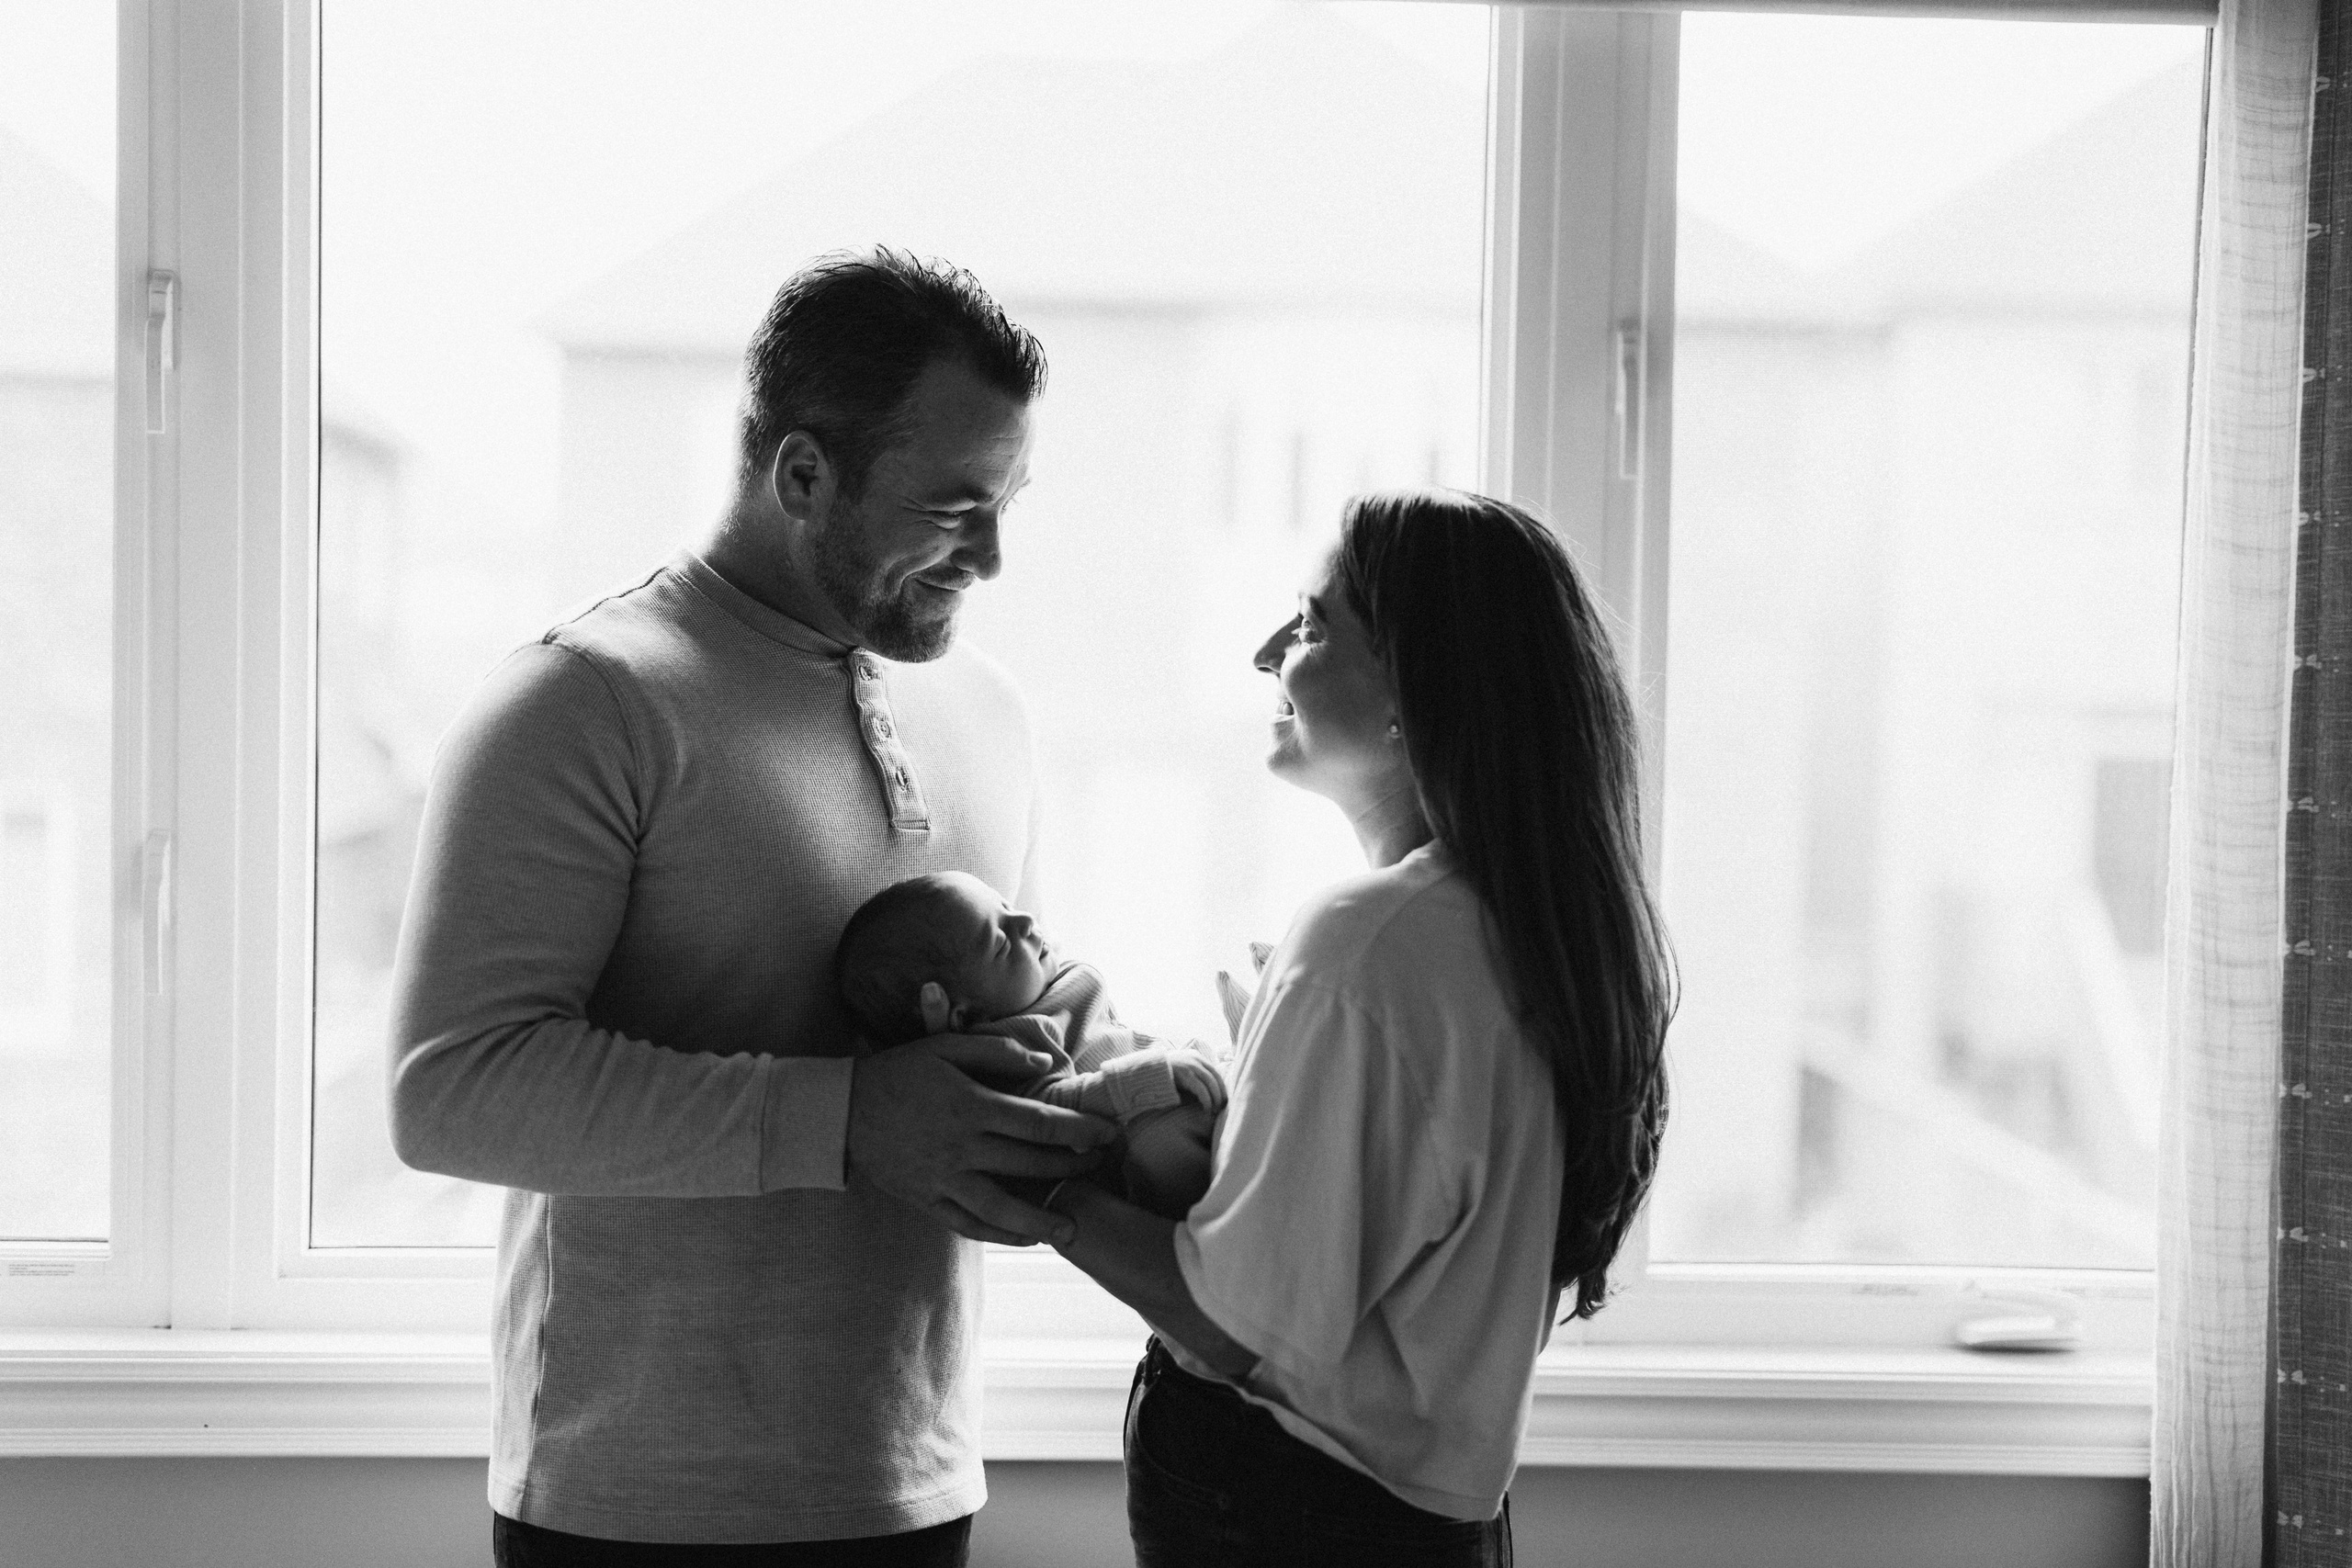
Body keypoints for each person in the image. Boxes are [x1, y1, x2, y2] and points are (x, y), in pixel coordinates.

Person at [387, 248, 1122, 1566]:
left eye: (1010, 501)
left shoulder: (990, 713)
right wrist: (847, 1121)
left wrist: (1122, 1093)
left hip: (912, 1482)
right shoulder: (583, 701)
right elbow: (452, 1088)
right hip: (636, 1504)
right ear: (801, 473)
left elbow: (1041, 1000)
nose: (996, 554)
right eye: (957, 506)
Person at [1043, 490, 1676, 1565]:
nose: (1266, 656)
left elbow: (1235, 1326)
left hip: (1293, 1521)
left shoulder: (1369, 943)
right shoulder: (1527, 932)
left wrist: (1035, 1194)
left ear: (1414, 694)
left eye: (1310, 625)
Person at [833, 871, 1228, 1218]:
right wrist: (1147, 1076)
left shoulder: (1047, 986)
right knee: (1161, 1150)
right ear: (965, 1017)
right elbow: (1050, 1111)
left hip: (1185, 1090)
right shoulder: (1009, 1042)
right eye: (1002, 943)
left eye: (1007, 907)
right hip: (1151, 1137)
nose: (1025, 920)